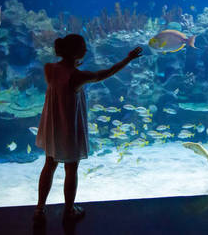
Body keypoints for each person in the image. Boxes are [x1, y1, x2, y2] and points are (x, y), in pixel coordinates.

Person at [33, 33, 142, 224]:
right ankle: (69, 210)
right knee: (71, 168)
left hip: (52, 125)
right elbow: (105, 73)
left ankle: (40, 209)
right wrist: (128, 58)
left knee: (49, 165)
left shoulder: (49, 68)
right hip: (68, 126)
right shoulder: (76, 76)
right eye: (83, 47)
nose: (86, 49)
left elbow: (62, 77)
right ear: (76, 51)